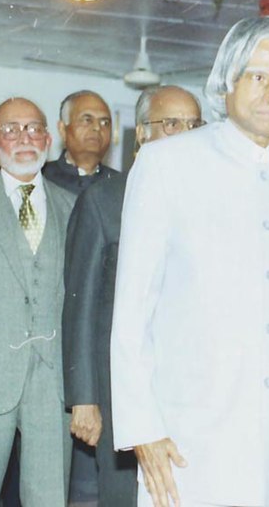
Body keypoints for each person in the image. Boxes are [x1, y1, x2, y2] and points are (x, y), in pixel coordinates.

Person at [110, 16, 269, 507]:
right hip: (183, 442)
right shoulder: (166, 165)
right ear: (227, 80)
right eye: (259, 77)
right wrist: (144, 428)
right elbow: (133, 314)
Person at [62, 85, 204, 507]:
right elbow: (80, 306)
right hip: (120, 388)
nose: (184, 134)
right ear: (141, 133)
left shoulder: (211, 204)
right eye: (171, 124)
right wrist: (84, 399)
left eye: (194, 125)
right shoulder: (104, 200)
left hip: (191, 386)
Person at [0, 97, 75, 505]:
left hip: (53, 389)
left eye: (34, 129)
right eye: (10, 130)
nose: (24, 139)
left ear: (49, 140)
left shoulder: (74, 207)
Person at [43, 90, 118, 194]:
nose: (97, 127)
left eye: (104, 122)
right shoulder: (41, 178)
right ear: (63, 129)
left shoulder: (121, 184)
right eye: (87, 120)